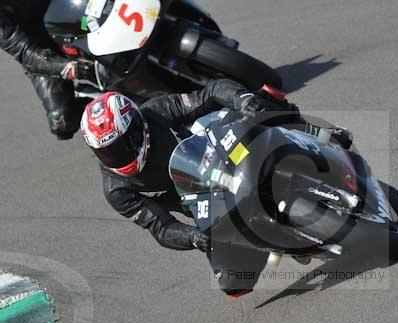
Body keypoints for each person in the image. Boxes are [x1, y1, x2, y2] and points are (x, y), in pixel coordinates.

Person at [80, 79, 299, 298]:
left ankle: (298, 129)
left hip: (219, 155)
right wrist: (192, 237)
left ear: (137, 124)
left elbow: (209, 94)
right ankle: (281, 239)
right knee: (232, 281)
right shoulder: (117, 190)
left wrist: (242, 99)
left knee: (256, 106)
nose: (121, 154)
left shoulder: (157, 111)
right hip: (209, 204)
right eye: (108, 152)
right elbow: (161, 227)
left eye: (124, 143)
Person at [0, 0, 95, 139]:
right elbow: (26, 54)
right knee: (62, 122)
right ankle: (105, 107)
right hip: (42, 50)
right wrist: (68, 68)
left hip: (69, 13)